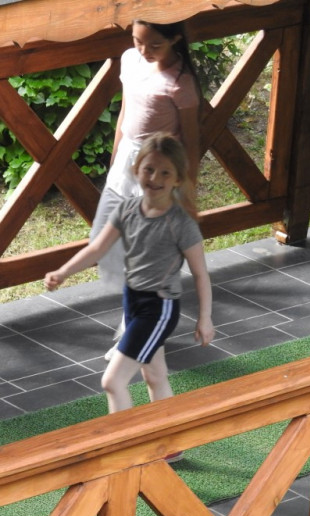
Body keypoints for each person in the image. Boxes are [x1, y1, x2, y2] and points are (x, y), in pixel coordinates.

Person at [45, 133, 213, 460]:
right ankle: (170, 447)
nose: (155, 178)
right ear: (136, 170)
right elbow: (97, 248)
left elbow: (200, 274)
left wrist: (205, 318)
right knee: (155, 375)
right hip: (133, 301)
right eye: (149, 169)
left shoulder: (181, 224)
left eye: (165, 172)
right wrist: (63, 272)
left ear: (178, 179)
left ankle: (125, 453)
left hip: (159, 309)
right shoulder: (127, 210)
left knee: (112, 381)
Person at [91, 20, 201, 358]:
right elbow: (125, 114)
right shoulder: (130, 60)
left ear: (175, 39)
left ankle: (136, 331)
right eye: (138, 41)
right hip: (128, 162)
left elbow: (191, 140)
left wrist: (188, 189)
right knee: (105, 240)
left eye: (154, 45)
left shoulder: (180, 82)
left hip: (159, 171)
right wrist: (115, 161)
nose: (144, 50)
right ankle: (140, 319)